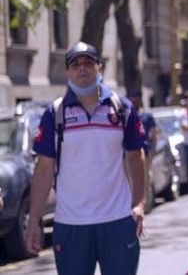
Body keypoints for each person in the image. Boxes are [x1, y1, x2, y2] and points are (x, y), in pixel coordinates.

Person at [25, 41, 147, 274]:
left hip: (118, 221)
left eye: (89, 63)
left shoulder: (122, 108)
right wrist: (34, 222)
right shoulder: (55, 114)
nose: (83, 68)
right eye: (76, 64)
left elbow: (136, 156)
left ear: (99, 67)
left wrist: (139, 204)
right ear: (67, 72)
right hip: (71, 225)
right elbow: (43, 170)